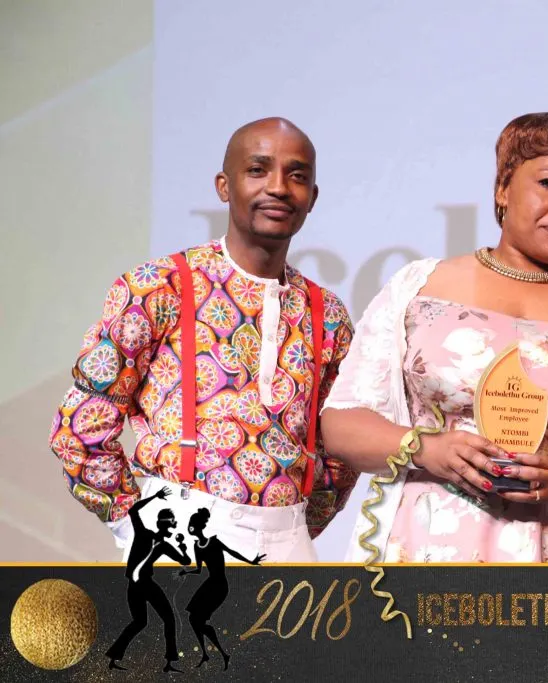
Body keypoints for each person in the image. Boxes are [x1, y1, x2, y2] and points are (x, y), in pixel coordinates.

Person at [322, 105, 548, 563]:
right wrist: (424, 448)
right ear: (503, 188)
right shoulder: (420, 286)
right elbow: (341, 423)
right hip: (429, 547)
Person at [49, 117, 357, 562]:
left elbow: (339, 452)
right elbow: (82, 426)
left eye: (297, 176)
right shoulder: (159, 287)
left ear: (312, 197)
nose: (278, 187)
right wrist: (132, 523)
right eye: (258, 170)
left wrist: (289, 529)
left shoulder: (327, 315)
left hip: (288, 542)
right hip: (179, 532)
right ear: (223, 186)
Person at [106, 486, 191, 672]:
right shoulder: (147, 535)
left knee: (145, 621)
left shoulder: (160, 543)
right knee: (160, 620)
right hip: (141, 584)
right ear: (167, 524)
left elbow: (185, 561)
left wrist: (183, 548)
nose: (174, 526)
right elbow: (133, 511)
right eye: (173, 523)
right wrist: (155, 496)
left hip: (138, 583)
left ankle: (115, 658)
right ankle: (168, 662)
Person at [179, 508, 264, 669]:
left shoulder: (214, 542)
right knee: (193, 619)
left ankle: (221, 654)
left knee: (198, 620)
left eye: (192, 523)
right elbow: (199, 569)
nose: (190, 527)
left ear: (197, 525)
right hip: (210, 583)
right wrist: (186, 571)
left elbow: (232, 552)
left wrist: (251, 561)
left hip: (219, 585)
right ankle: (208, 654)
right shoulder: (197, 546)